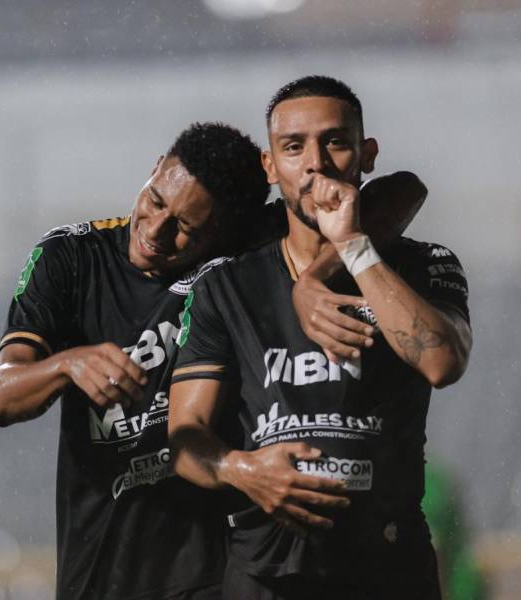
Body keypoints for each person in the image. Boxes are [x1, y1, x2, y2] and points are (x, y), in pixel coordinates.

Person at [0, 121, 426, 599]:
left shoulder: (243, 249)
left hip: (214, 563)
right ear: (155, 168)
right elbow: (1, 398)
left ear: (223, 233)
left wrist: (316, 276)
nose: (154, 231)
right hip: (102, 564)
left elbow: (403, 192)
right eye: (155, 200)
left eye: (184, 228)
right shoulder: (70, 257)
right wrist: (66, 364)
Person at [168, 75, 473, 599]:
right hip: (265, 573)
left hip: (388, 569)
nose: (315, 162)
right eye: (293, 146)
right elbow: (184, 440)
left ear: (366, 153)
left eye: (334, 141)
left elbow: (442, 361)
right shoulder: (229, 284)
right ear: (270, 165)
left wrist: (353, 248)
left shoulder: (422, 264)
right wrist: (242, 469)